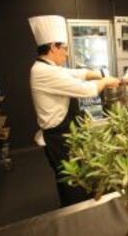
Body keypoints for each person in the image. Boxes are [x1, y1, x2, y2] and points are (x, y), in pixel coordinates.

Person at [29, 15, 120, 207]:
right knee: (72, 183)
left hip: (65, 133)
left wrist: (100, 73)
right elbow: (88, 90)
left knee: (76, 179)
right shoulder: (43, 71)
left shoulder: (50, 67)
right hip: (58, 137)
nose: (67, 54)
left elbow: (77, 73)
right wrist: (107, 81)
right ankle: (75, 217)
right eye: (65, 49)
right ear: (53, 47)